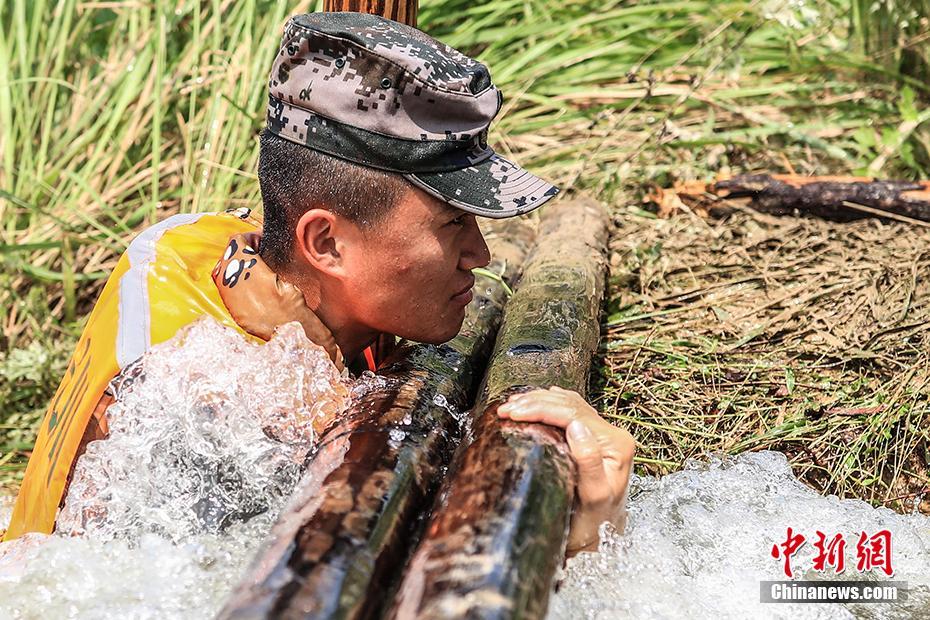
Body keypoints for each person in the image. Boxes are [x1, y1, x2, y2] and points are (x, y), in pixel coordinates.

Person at [3, 12, 634, 555]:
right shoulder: (198, 417)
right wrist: (581, 541)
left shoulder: (205, 244)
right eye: (451, 223)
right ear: (326, 243)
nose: (481, 253)